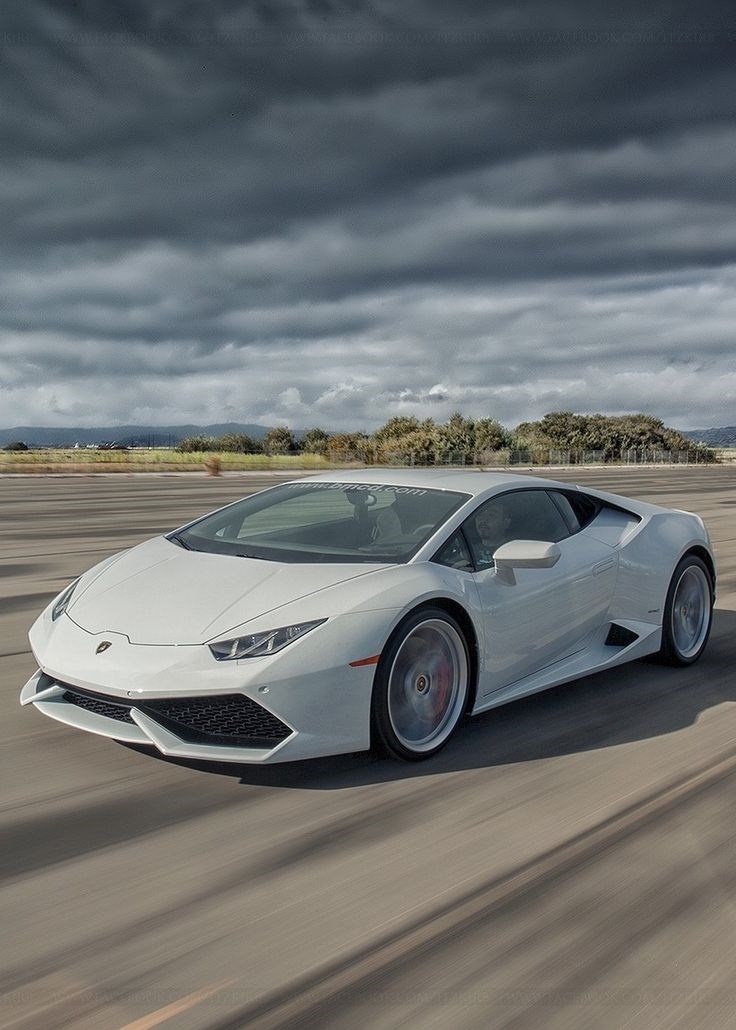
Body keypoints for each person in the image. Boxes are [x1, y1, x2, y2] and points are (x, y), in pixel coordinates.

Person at [473, 501, 510, 565]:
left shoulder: (512, 553)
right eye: (480, 515)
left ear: (506, 523)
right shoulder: (465, 551)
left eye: (491, 515)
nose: (484, 520)